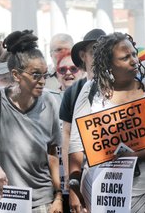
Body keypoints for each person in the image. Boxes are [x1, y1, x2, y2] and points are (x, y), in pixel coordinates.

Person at [0, 29, 63, 212]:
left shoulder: (49, 102)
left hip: (41, 202)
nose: (42, 81)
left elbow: (52, 153)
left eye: (45, 74)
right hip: (3, 199)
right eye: (35, 74)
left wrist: (58, 196)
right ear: (16, 75)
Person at [68, 32, 145, 213]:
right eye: (125, 57)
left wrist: (134, 155)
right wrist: (74, 187)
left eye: (133, 54)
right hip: (101, 193)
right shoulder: (91, 91)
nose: (134, 61)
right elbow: (77, 143)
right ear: (109, 64)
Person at [59, 29, 106, 201]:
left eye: (105, 51)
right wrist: (70, 177)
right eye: (95, 51)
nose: (100, 56)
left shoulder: (120, 88)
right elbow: (66, 134)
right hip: (84, 172)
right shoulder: (73, 92)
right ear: (83, 55)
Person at [50, 52, 86, 213]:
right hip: (60, 180)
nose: (68, 72)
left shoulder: (94, 95)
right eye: (62, 69)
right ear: (56, 74)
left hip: (85, 174)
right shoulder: (46, 98)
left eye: (73, 68)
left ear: (82, 70)